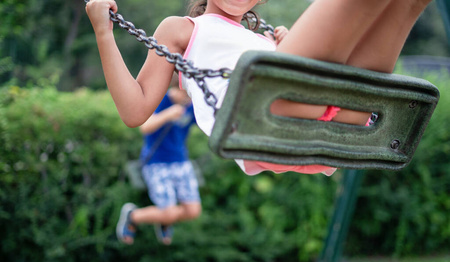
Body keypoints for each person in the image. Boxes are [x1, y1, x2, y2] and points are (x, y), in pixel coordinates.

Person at [86, 0, 433, 177]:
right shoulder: (183, 28)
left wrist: (280, 47)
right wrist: (104, 32)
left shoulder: (262, 40)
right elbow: (135, 111)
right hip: (267, 119)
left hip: (337, 120)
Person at [116, 78, 201, 245]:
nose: (187, 99)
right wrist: (167, 115)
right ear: (177, 88)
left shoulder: (190, 105)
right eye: (184, 94)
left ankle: (163, 220)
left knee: (193, 211)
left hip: (181, 162)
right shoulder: (160, 100)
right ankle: (133, 216)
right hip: (157, 163)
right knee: (169, 212)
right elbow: (144, 127)